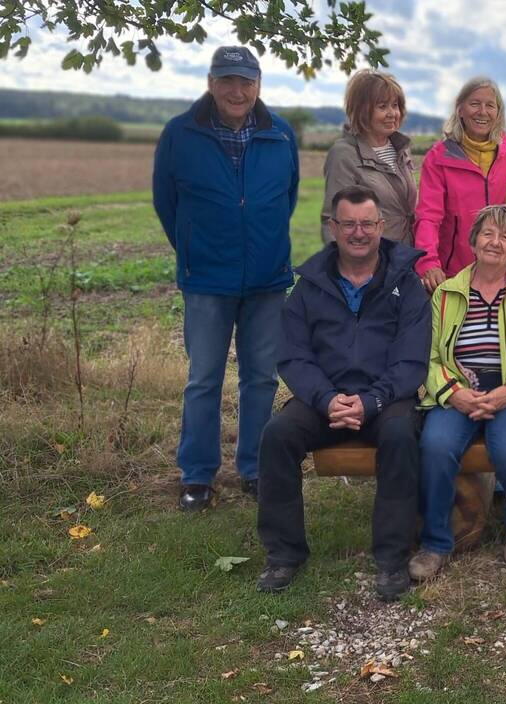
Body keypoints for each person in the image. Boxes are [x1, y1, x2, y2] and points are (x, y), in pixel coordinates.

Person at [256, 186, 431, 600]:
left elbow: (411, 362)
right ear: (332, 227)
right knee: (277, 435)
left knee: (401, 435)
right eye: (348, 223)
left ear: (381, 226)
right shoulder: (309, 287)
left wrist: (371, 401)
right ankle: (284, 554)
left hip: (386, 399)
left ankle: (391, 559)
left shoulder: (406, 284)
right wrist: (327, 399)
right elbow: (294, 357)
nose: (358, 232)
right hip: (325, 400)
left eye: (366, 223)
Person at [152, 45, 299, 511]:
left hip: (267, 279)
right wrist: (198, 249)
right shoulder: (180, 133)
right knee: (203, 379)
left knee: (261, 378)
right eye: (227, 81)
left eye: (246, 81)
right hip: (207, 280)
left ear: (258, 85)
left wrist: (259, 244)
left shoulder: (280, 133)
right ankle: (197, 474)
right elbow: (166, 203)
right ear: (211, 83)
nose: (237, 91)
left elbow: (287, 198)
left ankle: (254, 469)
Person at [411, 206, 506, 579]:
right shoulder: (445, 294)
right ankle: (436, 542)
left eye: (505, 237)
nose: (495, 242)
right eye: (488, 234)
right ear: (473, 241)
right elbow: (426, 356)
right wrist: (453, 392)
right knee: (436, 447)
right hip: (457, 392)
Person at [414, 78, 506, 293]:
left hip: (505, 274)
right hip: (454, 275)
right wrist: (428, 263)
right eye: (474, 103)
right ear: (460, 110)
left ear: (498, 113)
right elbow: (428, 217)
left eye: (490, 105)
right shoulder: (438, 158)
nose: (482, 111)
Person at [321, 70, 416, 246]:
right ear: (362, 110)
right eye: (382, 106)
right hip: (370, 261)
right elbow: (332, 221)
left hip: (405, 259)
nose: (392, 113)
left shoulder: (401, 150)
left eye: (395, 105)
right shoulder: (344, 154)